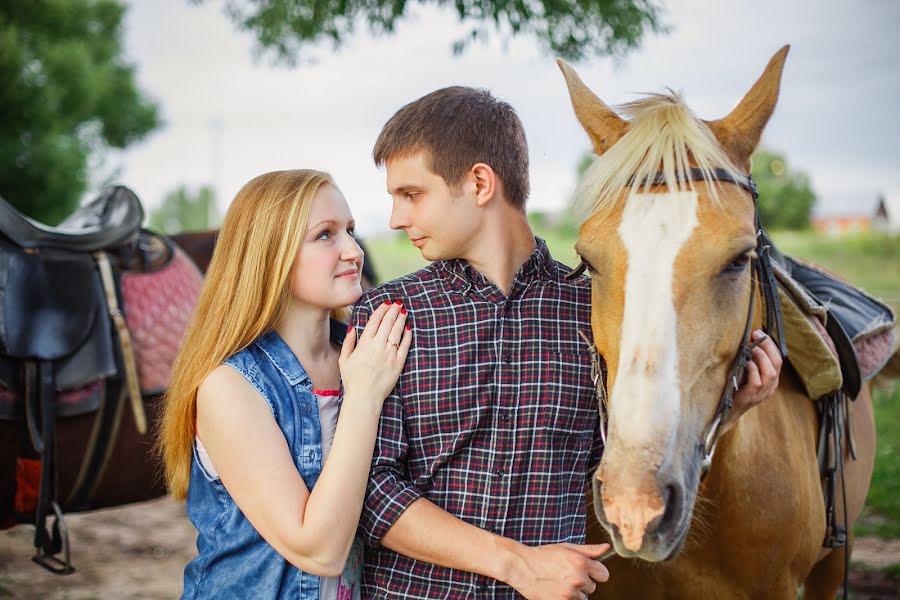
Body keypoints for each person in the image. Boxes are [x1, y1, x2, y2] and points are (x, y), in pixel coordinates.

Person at [348, 87, 783, 599]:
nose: (397, 219)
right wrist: (517, 565)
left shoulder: (587, 310)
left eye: (411, 194)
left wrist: (728, 413)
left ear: (481, 183)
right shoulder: (391, 316)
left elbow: (622, 455)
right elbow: (369, 490)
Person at [157, 169, 412, 600]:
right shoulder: (230, 387)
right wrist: (364, 398)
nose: (353, 251)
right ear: (269, 255)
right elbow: (318, 552)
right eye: (325, 236)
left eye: (350, 230)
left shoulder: (368, 358)